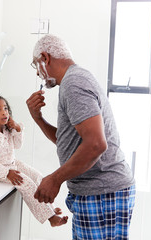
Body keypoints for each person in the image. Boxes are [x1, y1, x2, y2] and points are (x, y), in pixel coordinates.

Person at [26, 34, 135, 239]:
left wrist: (55, 179)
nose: (38, 75)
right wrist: (38, 119)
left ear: (45, 58)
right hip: (100, 192)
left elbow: (95, 144)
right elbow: (70, 142)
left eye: (36, 65)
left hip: (102, 193)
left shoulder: (73, 83)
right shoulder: (74, 80)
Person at [0, 94, 68, 227]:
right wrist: (7, 173)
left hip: (12, 164)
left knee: (37, 175)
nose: (4, 112)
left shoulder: (7, 130)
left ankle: (49, 208)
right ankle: (50, 218)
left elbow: (17, 145)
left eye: (5, 108)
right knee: (26, 183)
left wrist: (17, 128)